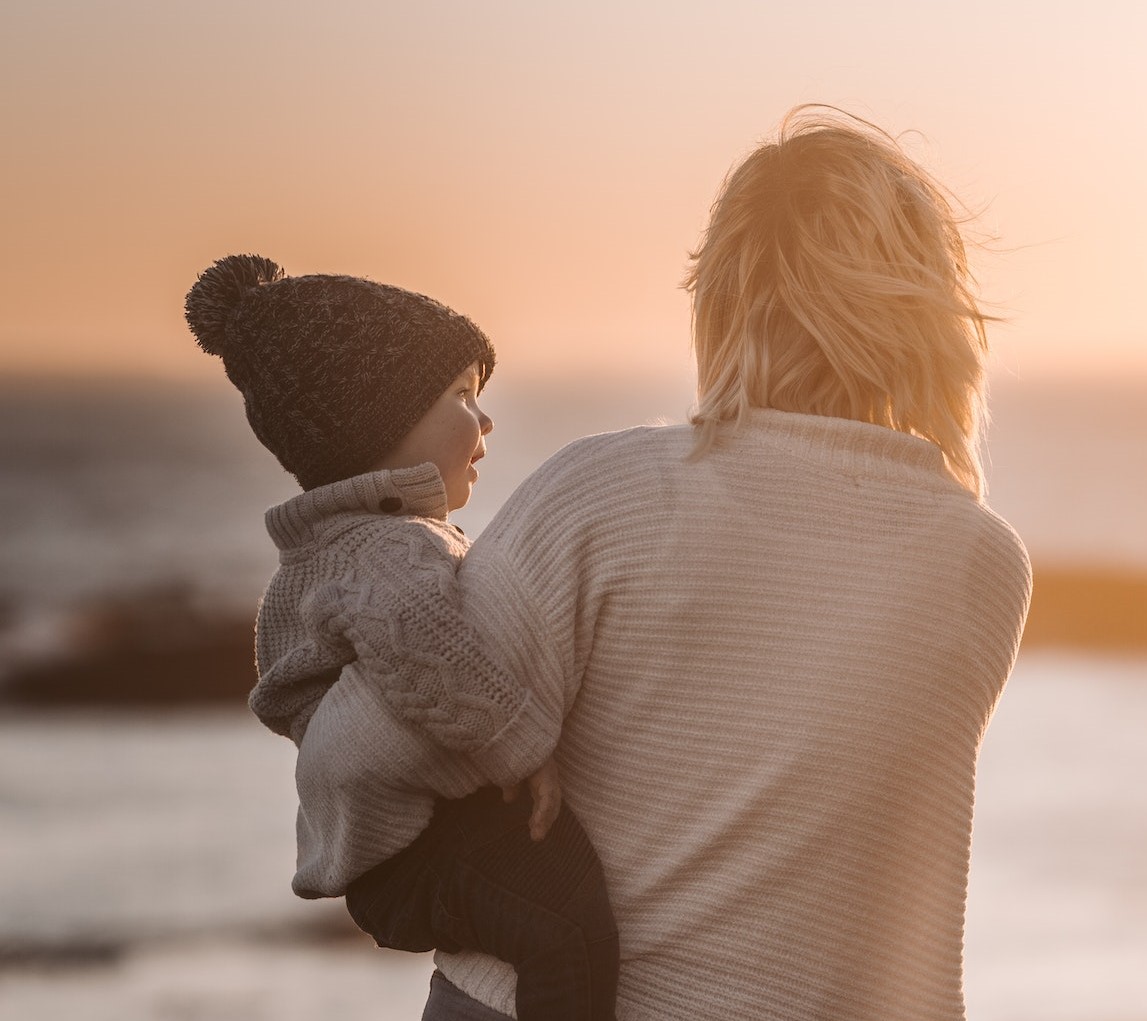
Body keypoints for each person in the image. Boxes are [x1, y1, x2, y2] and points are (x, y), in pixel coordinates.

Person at [300, 104, 1033, 1020]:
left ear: (723, 298)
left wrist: (386, 832)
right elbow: (907, 913)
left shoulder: (603, 495)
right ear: (928, 313)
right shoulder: (984, 565)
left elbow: (361, 759)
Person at [183, 255, 619, 1021]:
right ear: (375, 422)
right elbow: (432, 657)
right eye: (459, 395)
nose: (485, 421)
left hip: (389, 857)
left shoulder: (339, 545)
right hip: (414, 855)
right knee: (566, 922)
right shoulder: (386, 552)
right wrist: (525, 750)